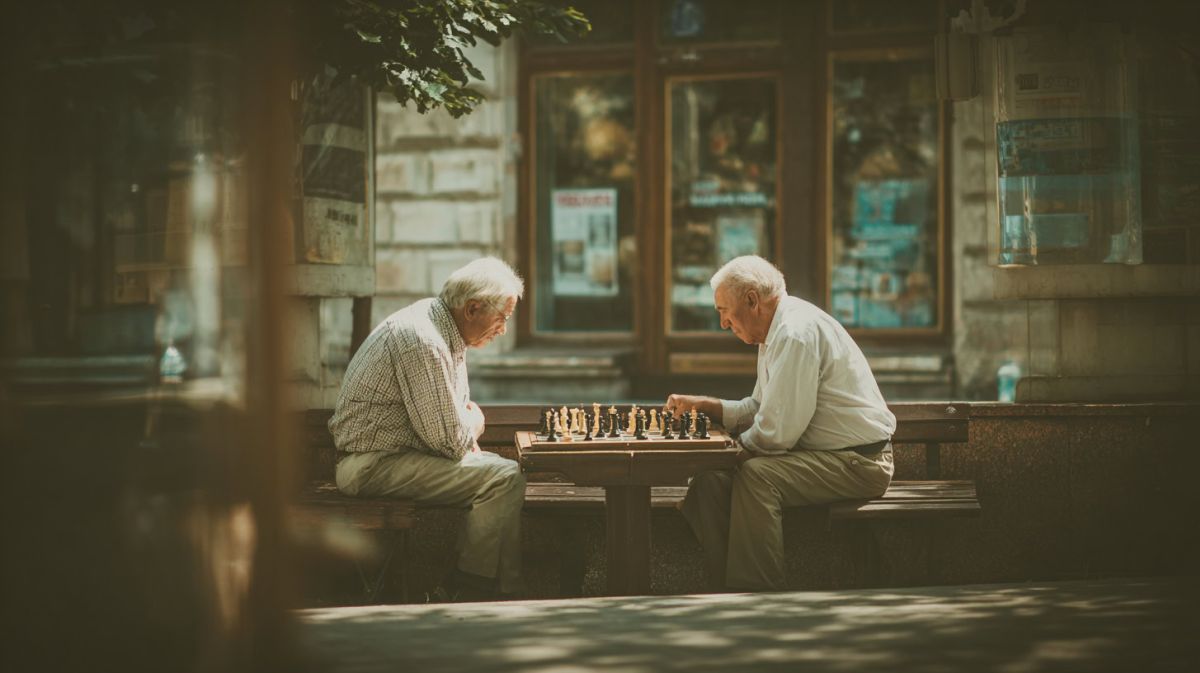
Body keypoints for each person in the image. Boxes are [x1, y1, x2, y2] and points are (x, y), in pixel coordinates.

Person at [665, 255, 896, 591]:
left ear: (751, 300)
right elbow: (761, 407)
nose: (723, 323)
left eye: (724, 311)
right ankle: (725, 588)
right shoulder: (774, 332)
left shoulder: (794, 333)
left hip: (860, 462)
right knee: (708, 482)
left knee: (757, 476)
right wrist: (708, 407)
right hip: (825, 456)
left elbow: (776, 434)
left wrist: (728, 453)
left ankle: (758, 593)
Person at [329, 257, 525, 601]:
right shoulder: (423, 340)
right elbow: (450, 440)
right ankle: (471, 589)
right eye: (502, 318)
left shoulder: (442, 329)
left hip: (390, 459)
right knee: (504, 478)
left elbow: (452, 428)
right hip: (371, 466)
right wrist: (476, 422)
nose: (503, 329)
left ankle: (498, 589)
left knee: (506, 474)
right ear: (472, 308)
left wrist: (464, 427)